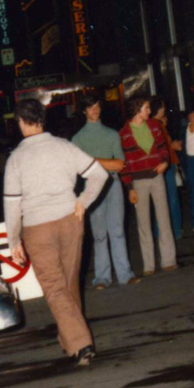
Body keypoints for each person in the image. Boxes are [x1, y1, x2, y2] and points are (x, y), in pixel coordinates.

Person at [4, 98, 108, 367]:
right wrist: (82, 202)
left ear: (20, 122)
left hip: (38, 227)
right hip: (69, 220)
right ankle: (69, 339)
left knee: (53, 286)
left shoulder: (16, 158)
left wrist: (13, 240)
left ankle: (81, 343)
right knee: (69, 283)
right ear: (42, 119)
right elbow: (100, 174)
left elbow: (12, 204)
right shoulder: (64, 146)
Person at [71, 92, 139, 290]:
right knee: (99, 234)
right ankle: (102, 277)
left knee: (117, 231)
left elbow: (120, 164)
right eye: (90, 107)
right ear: (84, 111)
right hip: (92, 189)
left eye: (97, 106)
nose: (95, 110)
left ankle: (125, 274)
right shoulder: (77, 139)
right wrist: (104, 163)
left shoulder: (112, 134)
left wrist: (92, 161)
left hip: (113, 185)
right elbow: (77, 168)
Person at [119, 95, 177, 275]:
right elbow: (124, 163)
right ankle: (149, 265)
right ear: (137, 109)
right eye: (146, 108)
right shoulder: (124, 134)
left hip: (157, 177)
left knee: (164, 218)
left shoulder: (154, 126)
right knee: (143, 224)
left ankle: (169, 260)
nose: (149, 111)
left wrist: (165, 162)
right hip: (138, 182)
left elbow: (163, 149)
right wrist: (129, 188)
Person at [151, 97, 184, 241]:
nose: (165, 109)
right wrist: (173, 146)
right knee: (171, 200)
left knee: (166, 200)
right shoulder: (156, 125)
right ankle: (172, 233)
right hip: (166, 165)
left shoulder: (157, 124)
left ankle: (166, 232)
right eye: (163, 107)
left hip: (166, 165)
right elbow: (160, 147)